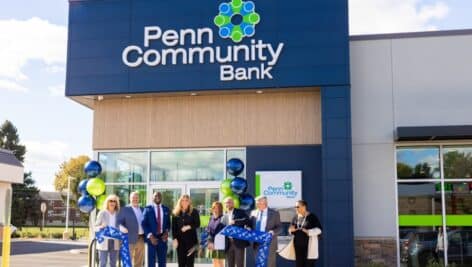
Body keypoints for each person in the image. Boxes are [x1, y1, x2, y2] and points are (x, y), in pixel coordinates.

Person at [286, 200, 322, 267]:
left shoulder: (312, 217)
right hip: (298, 247)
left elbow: (319, 230)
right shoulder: (296, 217)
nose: (296, 208)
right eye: (295, 207)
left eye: (297, 207)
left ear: (304, 207)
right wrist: (291, 230)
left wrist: (308, 231)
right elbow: (290, 229)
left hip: (309, 248)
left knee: (308, 265)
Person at [250, 196, 281, 267]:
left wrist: (273, 232)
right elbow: (250, 225)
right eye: (256, 204)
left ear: (265, 203)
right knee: (259, 264)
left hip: (269, 243)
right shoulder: (253, 212)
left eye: (258, 203)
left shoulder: (274, 213)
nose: (256, 205)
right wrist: (248, 227)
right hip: (256, 242)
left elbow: (279, 227)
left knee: (269, 264)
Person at [142, 192, 171, 267]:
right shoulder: (147, 209)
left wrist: (166, 233)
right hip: (152, 239)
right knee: (151, 262)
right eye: (155, 196)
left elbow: (168, 223)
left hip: (162, 238)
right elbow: (144, 224)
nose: (157, 197)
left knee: (162, 261)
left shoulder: (166, 209)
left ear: (162, 198)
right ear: (152, 198)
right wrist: (150, 236)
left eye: (159, 195)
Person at [117, 191, 145, 267]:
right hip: (129, 238)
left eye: (136, 197)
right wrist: (123, 228)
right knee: (127, 260)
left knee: (139, 260)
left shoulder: (143, 209)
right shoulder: (125, 209)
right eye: (133, 198)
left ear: (139, 199)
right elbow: (118, 222)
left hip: (141, 238)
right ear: (130, 199)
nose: (135, 199)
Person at [172, 194, 200, 267]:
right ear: (180, 202)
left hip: (191, 242)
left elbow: (197, 224)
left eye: (186, 200)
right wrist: (174, 239)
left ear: (189, 202)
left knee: (190, 263)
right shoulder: (176, 213)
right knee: (181, 263)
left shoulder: (194, 211)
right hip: (180, 241)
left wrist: (189, 226)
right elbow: (173, 228)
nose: (184, 202)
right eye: (183, 200)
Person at [222, 197, 250, 267]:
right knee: (229, 264)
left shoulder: (240, 212)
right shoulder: (224, 216)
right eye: (226, 203)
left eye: (229, 202)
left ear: (233, 203)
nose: (227, 204)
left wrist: (236, 222)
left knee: (239, 264)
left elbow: (247, 220)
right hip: (228, 243)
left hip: (238, 242)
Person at [95, 194, 121, 267]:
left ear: (116, 203)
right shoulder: (102, 213)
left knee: (113, 263)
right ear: (107, 202)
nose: (112, 203)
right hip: (104, 241)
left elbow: (121, 226)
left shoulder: (119, 213)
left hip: (115, 241)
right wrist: (101, 226)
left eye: (114, 201)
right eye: (111, 201)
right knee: (103, 263)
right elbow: (95, 226)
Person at [206, 201, 226, 267]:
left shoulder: (223, 218)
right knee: (214, 261)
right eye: (214, 207)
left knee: (220, 262)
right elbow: (208, 230)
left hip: (219, 242)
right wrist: (209, 241)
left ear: (220, 209)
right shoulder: (211, 218)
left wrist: (214, 241)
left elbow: (222, 230)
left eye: (217, 207)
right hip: (211, 242)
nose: (215, 209)